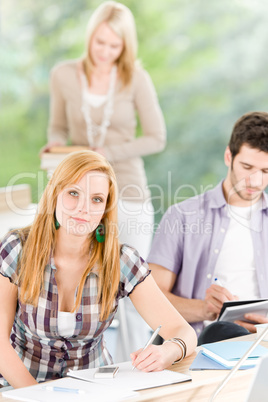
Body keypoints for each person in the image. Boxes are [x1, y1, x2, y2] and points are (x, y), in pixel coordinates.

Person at [0, 150, 197, 389]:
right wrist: (36, 396)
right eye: (74, 193)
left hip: (93, 390)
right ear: (55, 194)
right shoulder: (17, 248)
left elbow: (184, 332)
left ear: (106, 208)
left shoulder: (122, 260)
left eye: (96, 199)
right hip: (21, 388)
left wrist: (168, 351)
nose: (84, 208)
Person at [41, 1, 166, 355]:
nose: (106, 52)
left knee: (130, 289)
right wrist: (56, 143)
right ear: (90, 36)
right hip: (81, 192)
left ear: (126, 46)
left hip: (128, 192)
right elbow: (57, 127)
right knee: (82, 283)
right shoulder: (63, 74)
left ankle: (139, 364)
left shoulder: (136, 78)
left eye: (115, 46)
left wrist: (109, 154)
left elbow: (156, 137)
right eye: (100, 43)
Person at [147, 111, 268, 345]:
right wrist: (206, 309)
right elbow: (151, 300)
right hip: (200, 346)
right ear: (228, 156)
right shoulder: (181, 216)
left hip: (262, 348)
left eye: (266, 172)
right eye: (247, 166)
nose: (255, 181)